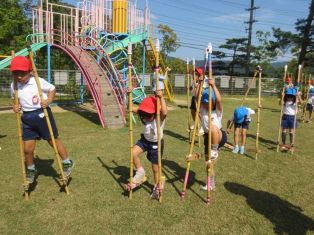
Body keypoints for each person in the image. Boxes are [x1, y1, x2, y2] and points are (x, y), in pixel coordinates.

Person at [10, 56, 74, 184]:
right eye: (15, 73)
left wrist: (49, 100)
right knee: (27, 149)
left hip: (42, 114)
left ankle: (67, 162)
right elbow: (14, 99)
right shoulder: (14, 85)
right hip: (27, 118)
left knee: (52, 140)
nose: (19, 76)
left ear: (30, 72)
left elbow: (52, 89)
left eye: (22, 73)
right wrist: (15, 106)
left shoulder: (37, 81)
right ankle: (31, 169)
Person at [129, 89, 167, 199]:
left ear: (154, 113)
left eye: (148, 115)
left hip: (156, 144)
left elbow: (164, 112)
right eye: (143, 115)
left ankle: (156, 186)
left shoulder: (159, 117)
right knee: (132, 153)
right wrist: (129, 95)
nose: (145, 117)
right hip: (145, 140)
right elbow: (130, 108)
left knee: (155, 168)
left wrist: (161, 97)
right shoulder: (142, 113)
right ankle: (140, 172)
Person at [199, 75, 227, 190]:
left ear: (214, 102)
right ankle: (211, 184)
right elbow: (197, 96)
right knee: (208, 163)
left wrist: (213, 85)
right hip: (207, 137)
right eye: (205, 102)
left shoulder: (218, 111)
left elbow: (220, 100)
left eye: (209, 102)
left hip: (219, 136)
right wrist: (200, 84)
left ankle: (214, 150)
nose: (207, 104)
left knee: (213, 128)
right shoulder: (203, 109)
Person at [279, 87, 302, 152]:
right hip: (285, 117)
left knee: (291, 132)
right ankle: (283, 144)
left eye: (291, 97)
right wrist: (282, 96)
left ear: (293, 97)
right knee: (284, 131)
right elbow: (280, 103)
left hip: (292, 117)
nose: (289, 98)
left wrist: (298, 96)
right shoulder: (285, 102)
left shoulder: (295, 102)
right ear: (286, 96)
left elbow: (301, 103)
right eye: (288, 96)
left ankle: (291, 145)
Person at [189, 67, 204, 135]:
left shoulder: (202, 83)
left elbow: (202, 91)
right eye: (193, 74)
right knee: (192, 111)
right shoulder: (193, 81)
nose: (193, 75)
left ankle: (203, 126)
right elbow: (191, 89)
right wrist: (190, 88)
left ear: (199, 76)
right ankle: (196, 124)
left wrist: (197, 86)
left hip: (199, 99)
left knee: (199, 113)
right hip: (193, 98)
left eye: (195, 74)